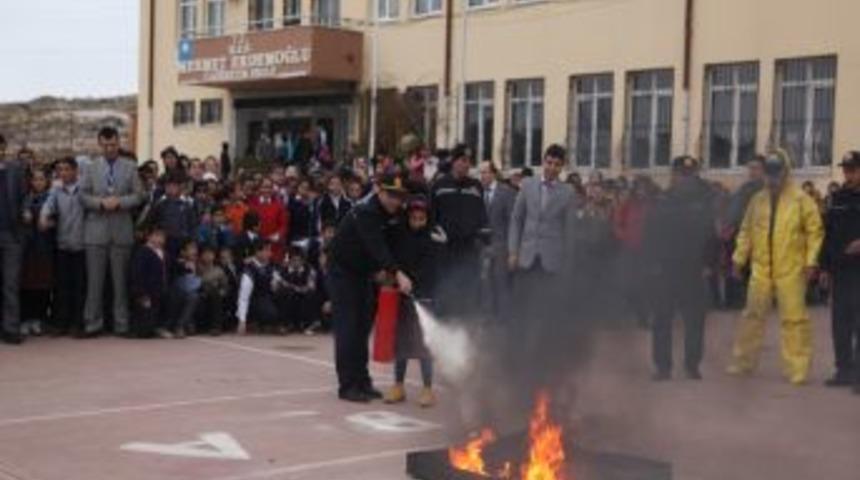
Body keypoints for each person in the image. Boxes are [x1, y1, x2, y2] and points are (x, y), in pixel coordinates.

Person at [727, 150, 824, 385]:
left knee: (794, 319)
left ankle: (797, 368)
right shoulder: (757, 200)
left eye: (776, 173)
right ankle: (743, 362)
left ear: (785, 172)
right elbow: (746, 232)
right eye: (769, 174)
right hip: (761, 268)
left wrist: (811, 261)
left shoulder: (801, 200)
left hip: (791, 268)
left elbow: (815, 231)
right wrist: (739, 259)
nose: (772, 178)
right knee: (751, 316)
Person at [327, 174, 413, 403]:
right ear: (379, 192)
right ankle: (348, 386)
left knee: (363, 328)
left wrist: (388, 270)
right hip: (343, 273)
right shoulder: (367, 212)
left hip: (363, 274)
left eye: (399, 197)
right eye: (391, 195)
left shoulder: (390, 215)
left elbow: (391, 246)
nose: (396, 201)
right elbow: (376, 246)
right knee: (348, 329)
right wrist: (397, 273)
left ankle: (363, 381)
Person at [645, 156, 717, 381]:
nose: (687, 179)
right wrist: (653, 264)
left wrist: (708, 263)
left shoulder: (704, 201)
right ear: (674, 175)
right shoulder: (663, 200)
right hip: (666, 270)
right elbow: (651, 235)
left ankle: (692, 365)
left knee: (695, 321)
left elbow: (711, 236)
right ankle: (663, 367)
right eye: (682, 174)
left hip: (694, 269)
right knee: (662, 319)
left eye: (690, 174)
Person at [79, 127, 144, 338]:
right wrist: (100, 203)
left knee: (120, 283)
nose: (109, 148)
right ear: (100, 144)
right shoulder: (90, 168)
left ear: (119, 143)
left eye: (113, 144)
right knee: (94, 283)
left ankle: (121, 324)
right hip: (95, 232)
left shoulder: (130, 167)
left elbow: (139, 195)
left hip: (121, 231)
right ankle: (92, 323)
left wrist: (119, 202)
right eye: (105, 145)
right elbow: (82, 196)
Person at [508, 144, 574, 323]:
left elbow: (569, 229)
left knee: (546, 310)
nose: (552, 168)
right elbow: (516, 219)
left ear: (562, 167)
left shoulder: (567, 192)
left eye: (557, 164)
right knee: (521, 308)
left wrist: (566, 263)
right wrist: (513, 251)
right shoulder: (528, 184)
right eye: (549, 162)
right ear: (543, 162)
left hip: (552, 260)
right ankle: (517, 347)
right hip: (526, 257)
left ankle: (543, 348)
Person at [384, 196, 439, 408]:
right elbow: (394, 262)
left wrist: (416, 284)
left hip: (425, 296)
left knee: (424, 343)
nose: (417, 222)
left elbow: (432, 269)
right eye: (413, 218)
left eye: (421, 218)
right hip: (403, 296)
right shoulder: (400, 235)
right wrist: (398, 278)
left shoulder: (433, 238)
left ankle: (427, 388)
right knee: (401, 342)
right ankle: (398, 385)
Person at [431, 144, 488, 317]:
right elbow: (431, 217)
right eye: (463, 160)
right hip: (446, 254)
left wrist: (484, 242)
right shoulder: (439, 186)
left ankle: (466, 335)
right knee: (445, 298)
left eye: (469, 161)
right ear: (454, 162)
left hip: (469, 254)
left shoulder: (476, 186)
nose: (467, 164)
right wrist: (436, 236)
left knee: (468, 301)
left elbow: (482, 218)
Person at [820, 151, 860, 392]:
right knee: (841, 323)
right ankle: (844, 370)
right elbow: (828, 234)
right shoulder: (837, 197)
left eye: (852, 169)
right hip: (842, 271)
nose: (848, 173)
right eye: (845, 169)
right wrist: (825, 267)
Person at [40, 157, 86, 336]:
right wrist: (44, 217)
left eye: (67, 169)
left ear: (75, 171)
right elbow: (48, 206)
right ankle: (61, 324)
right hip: (62, 245)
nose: (63, 173)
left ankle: (77, 324)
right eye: (60, 169)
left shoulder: (84, 189)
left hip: (81, 245)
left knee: (79, 287)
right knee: (61, 287)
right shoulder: (56, 189)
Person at [479, 161, 517, 320]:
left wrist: (511, 250)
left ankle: (504, 319)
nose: (482, 176)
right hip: (482, 247)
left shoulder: (506, 192)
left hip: (501, 246)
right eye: (480, 173)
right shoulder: (478, 192)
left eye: (485, 172)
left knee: (501, 284)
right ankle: (487, 318)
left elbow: (512, 222)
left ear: (494, 173)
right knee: (484, 285)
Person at [0, 134, 27, 344]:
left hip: (11, 235)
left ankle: (11, 329)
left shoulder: (15, 171)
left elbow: (25, 197)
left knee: (11, 284)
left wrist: (26, 211)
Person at [145, 172, 196, 260]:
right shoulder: (160, 204)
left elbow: (192, 224)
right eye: (168, 186)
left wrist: (190, 240)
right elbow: (150, 221)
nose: (170, 188)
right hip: (165, 242)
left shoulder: (186, 205)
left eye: (174, 186)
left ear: (180, 187)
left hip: (182, 242)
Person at [129, 226, 168, 338]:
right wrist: (142, 294)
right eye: (156, 235)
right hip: (147, 294)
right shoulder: (143, 252)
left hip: (161, 291)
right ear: (149, 237)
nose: (160, 239)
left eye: (162, 236)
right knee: (144, 332)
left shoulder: (163, 253)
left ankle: (159, 327)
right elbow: (137, 274)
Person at [236, 239, 280, 334]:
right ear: (258, 252)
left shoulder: (271, 266)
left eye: (270, 250)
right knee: (270, 312)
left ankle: (277, 324)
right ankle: (253, 321)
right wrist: (242, 321)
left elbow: (277, 280)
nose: (270, 253)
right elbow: (243, 297)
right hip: (254, 301)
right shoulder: (249, 269)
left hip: (267, 298)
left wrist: (276, 283)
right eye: (267, 250)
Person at [249, 178, 288, 261]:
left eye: (269, 187)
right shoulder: (252, 203)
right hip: (257, 246)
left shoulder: (279, 205)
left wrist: (276, 236)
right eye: (264, 187)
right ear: (259, 188)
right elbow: (249, 225)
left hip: (274, 246)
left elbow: (283, 225)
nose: (267, 190)